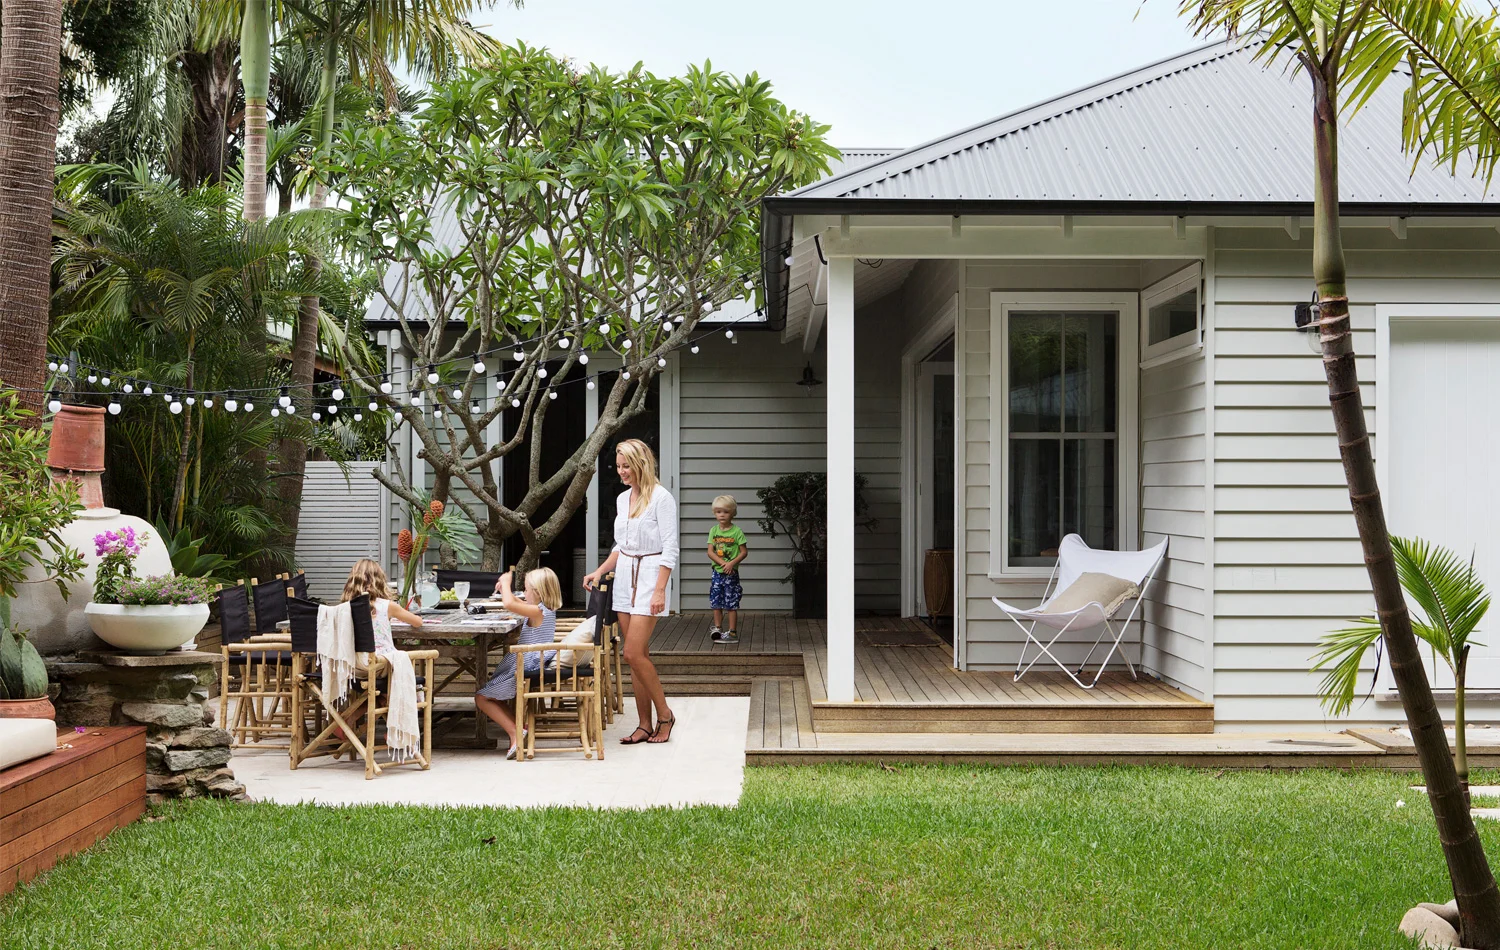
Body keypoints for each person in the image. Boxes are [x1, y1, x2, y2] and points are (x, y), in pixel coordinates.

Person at [583, 438, 679, 745]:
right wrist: (600, 571)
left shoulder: (662, 498)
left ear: (640, 465)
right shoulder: (623, 499)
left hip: (651, 577)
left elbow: (670, 549)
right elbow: (621, 547)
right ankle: (643, 724)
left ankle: (665, 715)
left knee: (632, 652)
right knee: (637, 657)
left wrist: (660, 590)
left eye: (626, 466)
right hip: (624, 577)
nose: (621, 472)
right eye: (619, 466)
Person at [475, 567, 562, 759]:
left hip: (526, 663)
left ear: (538, 592)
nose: (523, 593)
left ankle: (514, 733)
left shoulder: (537, 611)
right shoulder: (545, 609)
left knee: (481, 698)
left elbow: (508, 602)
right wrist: (507, 589)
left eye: (526, 589)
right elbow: (514, 602)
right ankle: (519, 728)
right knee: (493, 697)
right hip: (530, 661)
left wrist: (506, 583)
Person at [337, 559, 425, 740]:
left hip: (353, 667)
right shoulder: (387, 606)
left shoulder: (343, 608)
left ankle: (348, 721)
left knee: (382, 694)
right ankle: (396, 730)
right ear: (379, 580)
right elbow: (417, 622)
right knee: (402, 671)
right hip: (379, 665)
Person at [706, 494, 748, 644]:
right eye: (718, 512)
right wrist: (723, 563)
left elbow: (744, 552)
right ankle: (717, 628)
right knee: (716, 601)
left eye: (725, 511)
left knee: (731, 602)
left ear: (732, 513)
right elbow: (710, 551)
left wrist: (731, 564)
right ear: (714, 513)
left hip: (731, 573)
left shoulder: (737, 532)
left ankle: (732, 632)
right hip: (717, 572)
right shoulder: (714, 531)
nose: (722, 515)